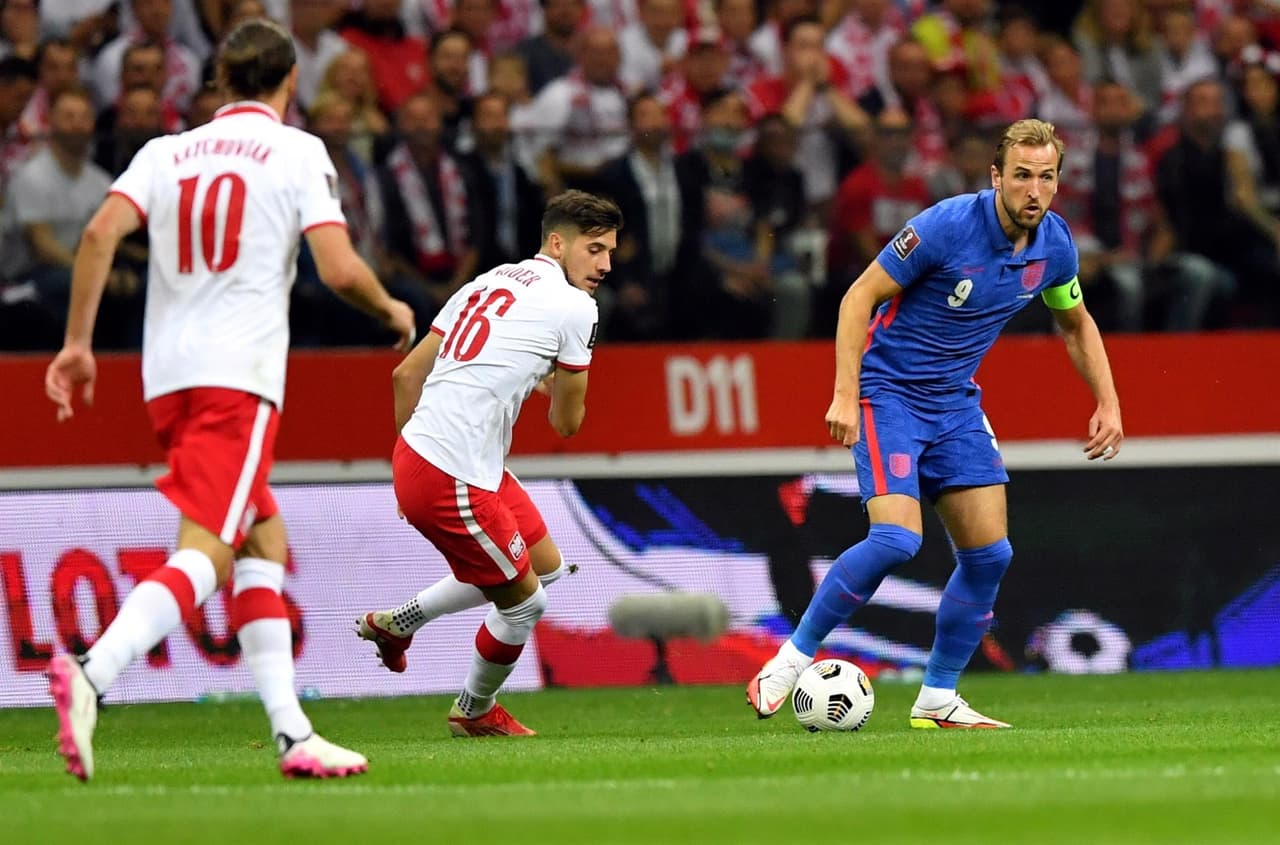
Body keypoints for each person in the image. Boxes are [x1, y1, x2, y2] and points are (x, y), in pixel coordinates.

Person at [42, 19, 416, 780]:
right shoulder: (297, 149)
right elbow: (339, 268)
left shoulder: (163, 152)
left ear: (218, 84)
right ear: (289, 82)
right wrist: (394, 310)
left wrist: (78, 345)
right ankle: (91, 669)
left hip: (168, 377)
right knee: (207, 549)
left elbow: (97, 234)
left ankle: (292, 733)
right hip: (236, 377)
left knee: (262, 542)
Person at [747, 118, 1124, 728]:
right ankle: (792, 658)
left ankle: (937, 699)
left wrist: (1107, 400)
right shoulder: (947, 226)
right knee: (897, 538)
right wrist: (845, 394)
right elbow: (857, 297)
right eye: (1022, 176)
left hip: (955, 404)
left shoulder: (1055, 247)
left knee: (990, 557)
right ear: (997, 176)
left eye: (1046, 177)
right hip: (887, 393)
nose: (1034, 189)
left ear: (1058, 182)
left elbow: (1076, 323)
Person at [355, 189, 621, 737]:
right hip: (452, 474)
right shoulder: (577, 308)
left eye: (610, 251)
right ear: (557, 242)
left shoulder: (489, 280)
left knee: (542, 564)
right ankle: (473, 711)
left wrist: (414, 464)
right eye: (594, 249)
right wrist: (563, 379)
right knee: (527, 605)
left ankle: (398, 625)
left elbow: (405, 375)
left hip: (436, 458)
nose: (605, 265)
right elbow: (567, 425)